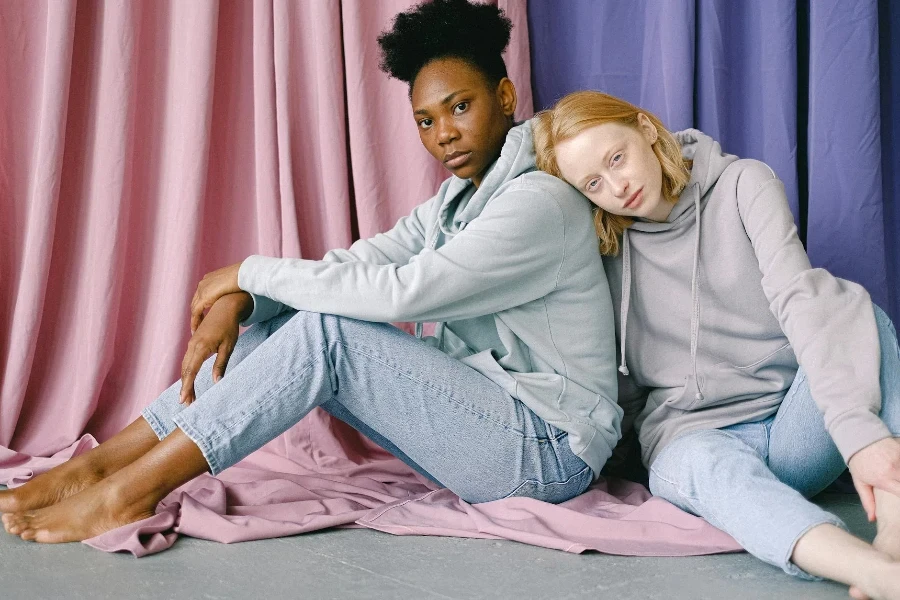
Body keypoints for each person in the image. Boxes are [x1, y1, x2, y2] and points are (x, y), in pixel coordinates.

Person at [0, 0, 621, 543]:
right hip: (490, 435)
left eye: (460, 106)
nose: (444, 135)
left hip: (547, 453)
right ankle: (98, 468)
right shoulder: (453, 204)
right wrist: (244, 299)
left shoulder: (538, 203)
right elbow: (356, 264)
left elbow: (404, 291)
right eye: (426, 121)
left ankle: (128, 494)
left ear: (505, 97)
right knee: (300, 320)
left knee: (331, 332)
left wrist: (246, 269)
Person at [532, 90, 900, 599]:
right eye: (593, 183)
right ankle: (872, 571)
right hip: (697, 439)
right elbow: (618, 378)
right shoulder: (603, 251)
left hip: (797, 429)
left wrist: (857, 434)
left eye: (616, 158)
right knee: (702, 466)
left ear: (644, 128)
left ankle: (897, 527)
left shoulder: (744, 183)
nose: (617, 186)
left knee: (861, 317)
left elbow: (800, 298)